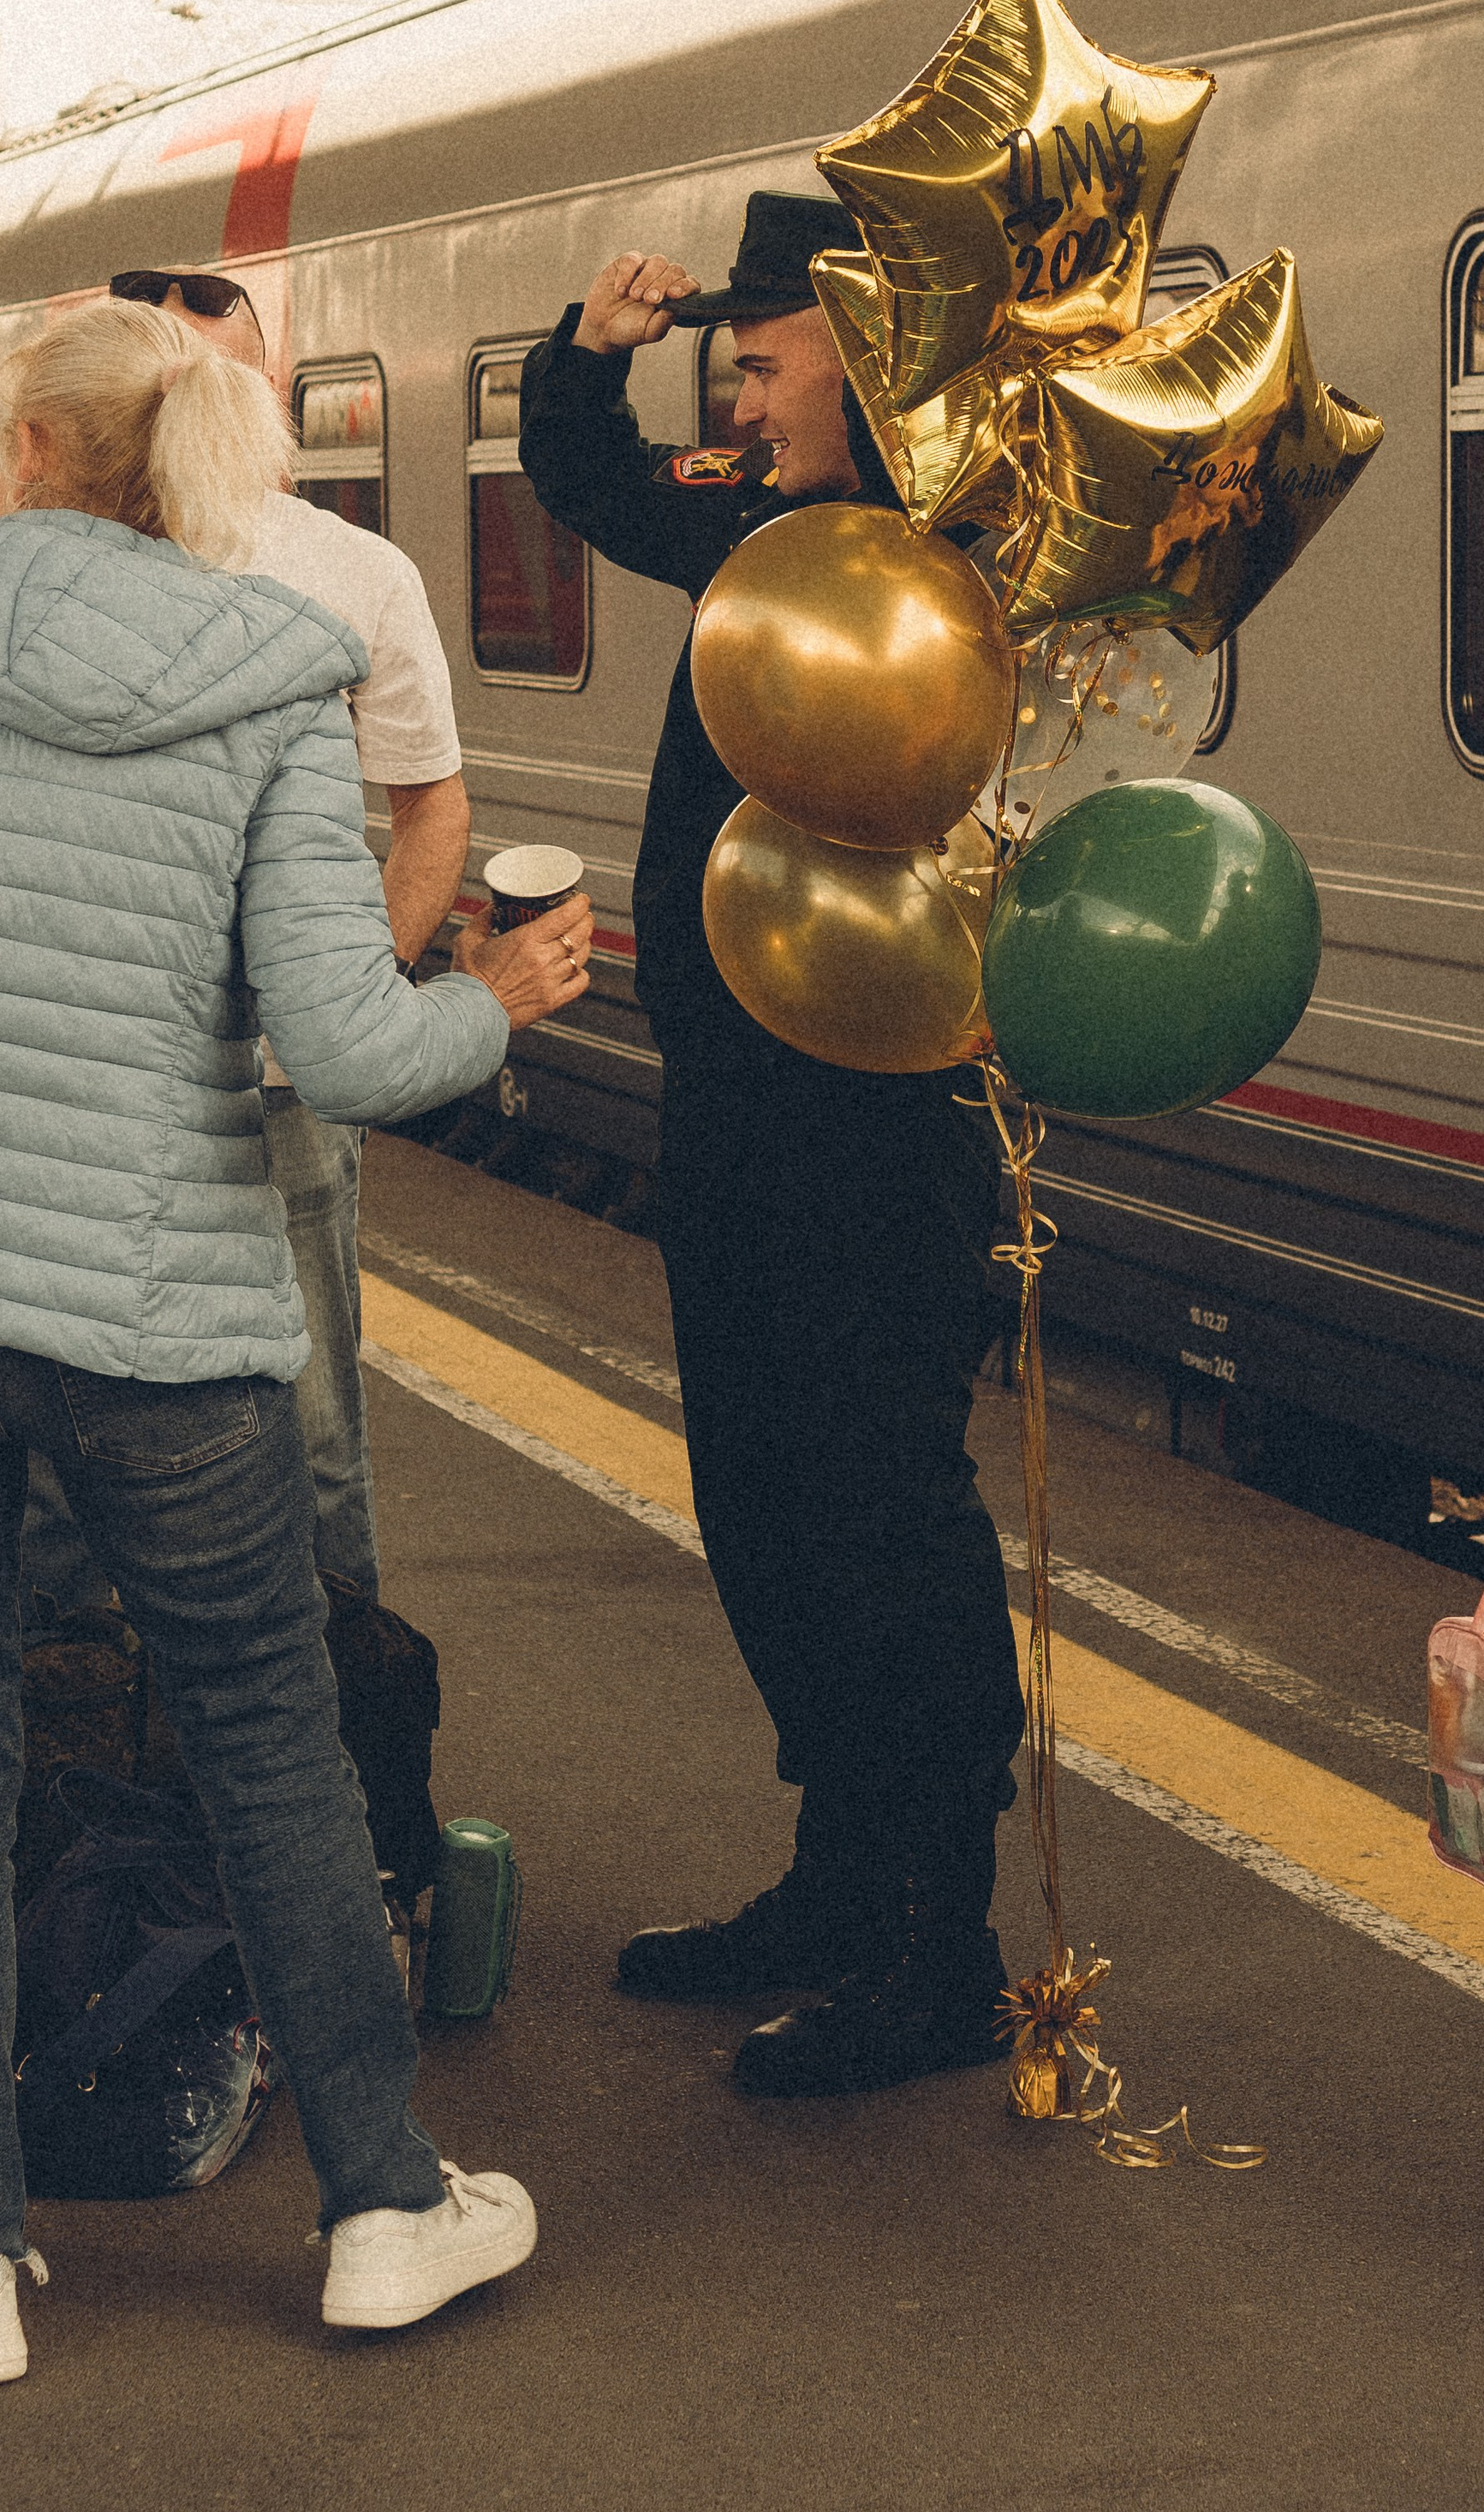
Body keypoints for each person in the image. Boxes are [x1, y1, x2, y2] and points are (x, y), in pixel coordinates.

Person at [0, 296, 591, 2386]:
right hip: (160, 1318)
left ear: (15, 450)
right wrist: (495, 1007)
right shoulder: (276, 680)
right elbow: (338, 1047)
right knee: (268, 1744)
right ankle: (380, 2210)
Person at [520, 190, 1025, 2101]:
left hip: (881, 1107)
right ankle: (835, 1879)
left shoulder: (954, 568)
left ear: (876, 357)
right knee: (758, 1494)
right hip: (737, 1089)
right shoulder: (757, 530)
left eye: (769, 338)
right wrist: (593, 348)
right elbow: (582, 479)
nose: (737, 361)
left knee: (876, 1511)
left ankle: (933, 1941)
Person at [20, 266, 470, 1612]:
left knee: (315, 1431)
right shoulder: (70, 571)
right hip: (91, 1075)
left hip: (277, 1083)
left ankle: (351, 1726)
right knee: (62, 1453)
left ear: (263, 398)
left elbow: (432, 805)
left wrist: (351, 994)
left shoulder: (351, 572)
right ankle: (92, 1745)